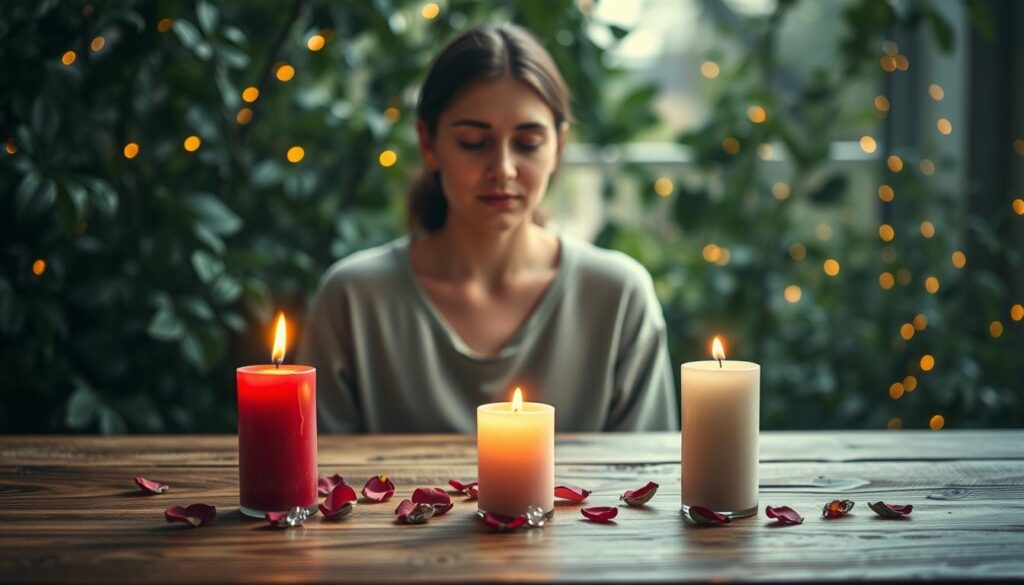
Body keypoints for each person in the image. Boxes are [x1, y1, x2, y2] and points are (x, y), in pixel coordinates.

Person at [298, 24, 676, 433]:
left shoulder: (618, 298)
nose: (504, 170)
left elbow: (648, 477)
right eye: (474, 143)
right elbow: (318, 481)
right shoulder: (353, 300)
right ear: (428, 144)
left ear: (559, 147)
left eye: (528, 143)